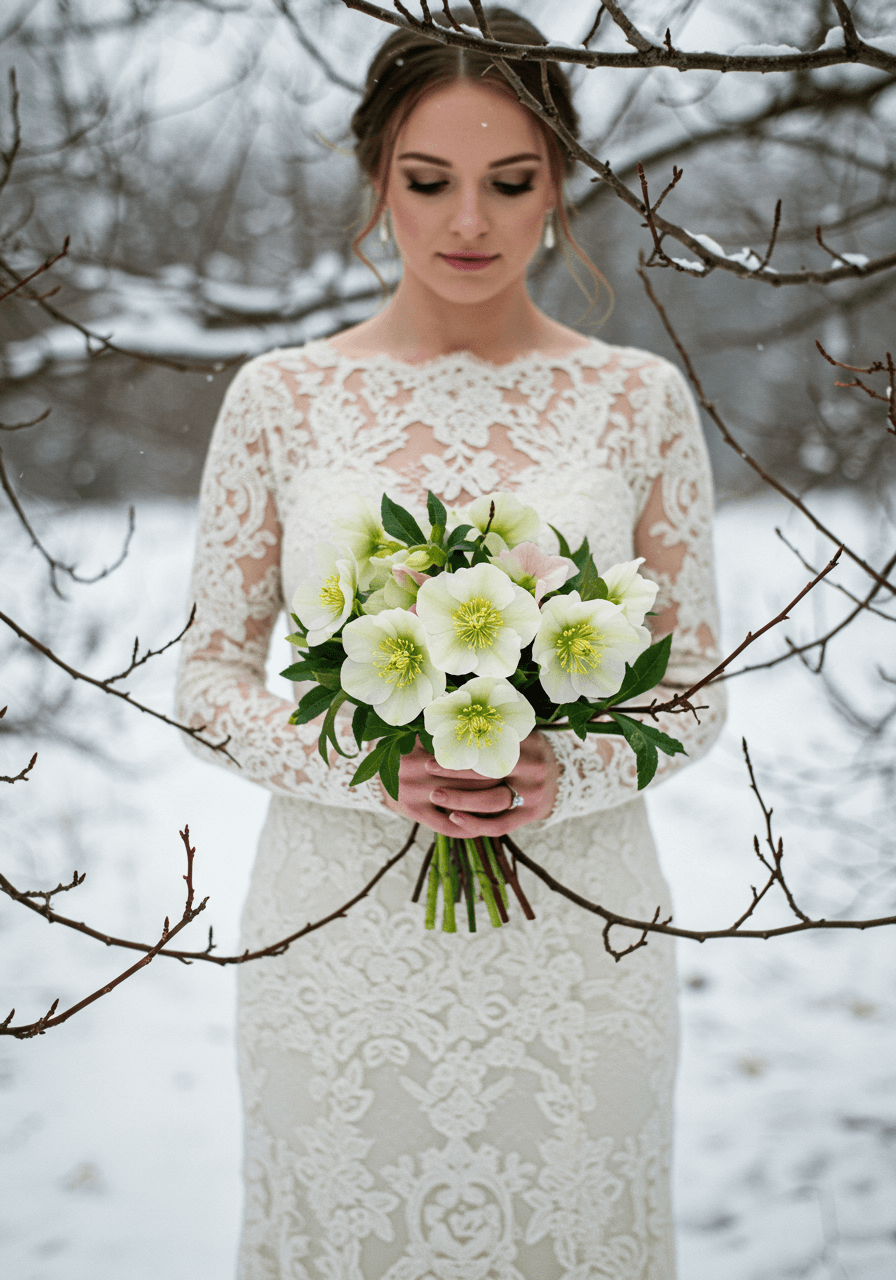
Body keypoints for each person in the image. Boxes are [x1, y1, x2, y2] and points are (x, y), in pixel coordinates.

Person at [175, 8, 726, 1276]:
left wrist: (569, 768)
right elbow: (206, 677)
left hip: (577, 931)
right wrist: (361, 762)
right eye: (428, 182)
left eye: (508, 181)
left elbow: (694, 684)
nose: (467, 221)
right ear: (378, 179)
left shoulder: (635, 398)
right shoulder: (282, 398)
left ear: (558, 184)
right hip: (339, 932)